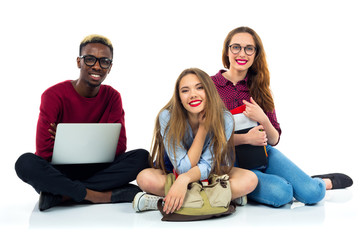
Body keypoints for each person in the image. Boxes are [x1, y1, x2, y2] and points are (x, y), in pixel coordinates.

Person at [210, 26, 353, 207]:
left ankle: (319, 182)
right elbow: (205, 138)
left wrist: (263, 118)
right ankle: (284, 185)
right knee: (282, 194)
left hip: (263, 154)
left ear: (255, 54)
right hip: (231, 163)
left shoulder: (260, 88)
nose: (242, 53)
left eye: (249, 48)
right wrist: (245, 138)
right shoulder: (209, 86)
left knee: (313, 194)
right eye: (236, 47)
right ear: (227, 50)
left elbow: (274, 138)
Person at [15, 34, 149, 211]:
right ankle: (99, 196)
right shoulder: (53, 96)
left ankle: (61, 194)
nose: (97, 66)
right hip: (59, 171)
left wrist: (66, 138)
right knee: (25, 163)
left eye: (104, 61)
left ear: (110, 67)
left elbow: (119, 147)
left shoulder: (112, 97)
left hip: (98, 169)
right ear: (79, 62)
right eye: (90, 59)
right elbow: (44, 151)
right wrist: (97, 137)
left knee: (142, 157)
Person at [132, 68, 258, 213]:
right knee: (144, 178)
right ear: (179, 97)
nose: (193, 95)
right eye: (185, 90)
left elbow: (206, 165)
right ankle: (220, 198)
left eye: (199, 88)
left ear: (209, 90)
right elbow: (183, 167)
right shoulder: (167, 116)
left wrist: (184, 180)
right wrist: (182, 177)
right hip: (173, 173)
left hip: (210, 173)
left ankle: (161, 202)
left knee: (250, 179)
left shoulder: (225, 119)